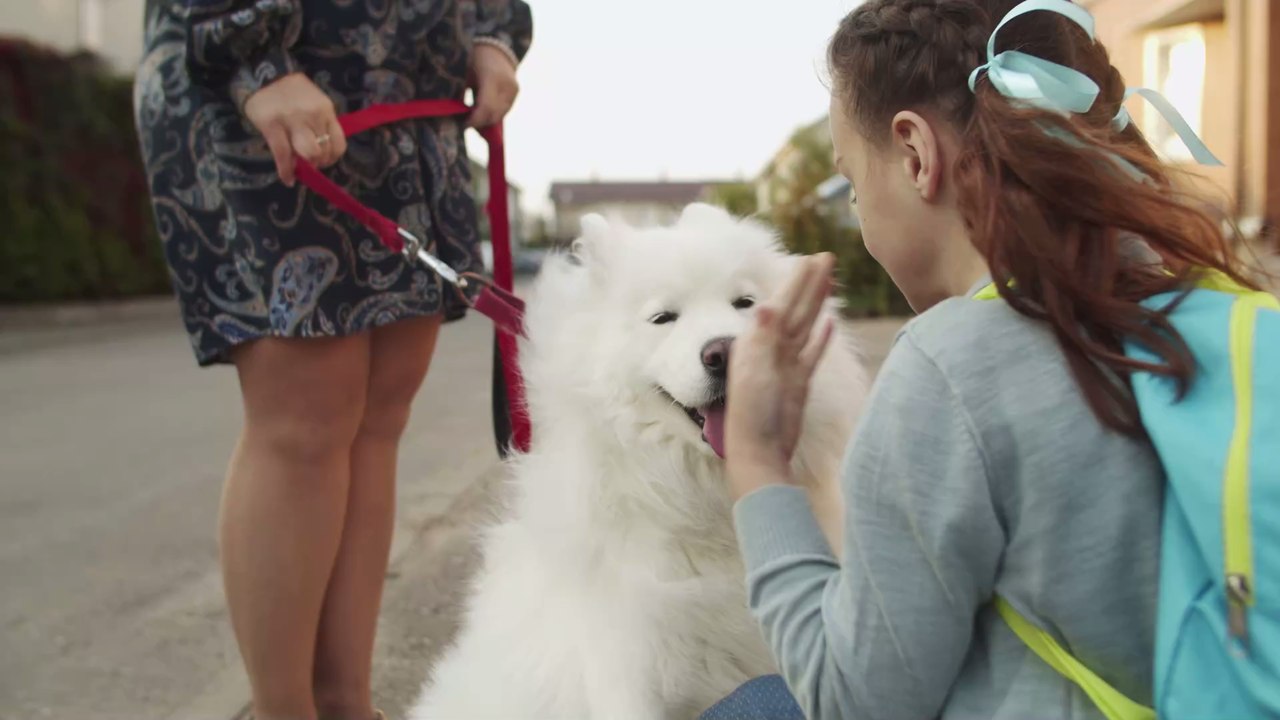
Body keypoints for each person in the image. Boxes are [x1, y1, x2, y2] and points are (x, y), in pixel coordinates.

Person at [708, 0, 1258, 718]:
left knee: (750, 705)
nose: (860, 216)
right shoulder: (1203, 302)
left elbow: (852, 701)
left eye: (854, 186)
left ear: (915, 154)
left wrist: (756, 462)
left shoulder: (948, 369)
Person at [133, 1, 531, 718]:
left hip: (414, 93)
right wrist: (255, 57)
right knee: (308, 414)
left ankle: (348, 705)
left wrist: (493, 32)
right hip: (270, 79)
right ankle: (284, 711)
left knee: (379, 414)